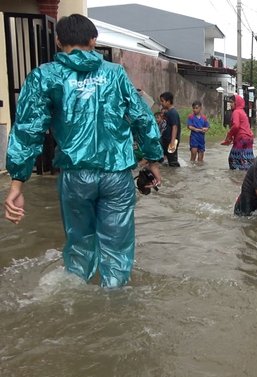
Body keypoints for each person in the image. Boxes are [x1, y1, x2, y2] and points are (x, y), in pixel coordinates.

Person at [3, 14, 163, 288]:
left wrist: (17, 182)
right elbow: (142, 118)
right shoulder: (115, 74)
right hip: (117, 176)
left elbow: (28, 129)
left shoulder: (45, 76)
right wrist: (153, 160)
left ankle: (76, 296)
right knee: (117, 248)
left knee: (79, 244)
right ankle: (114, 303)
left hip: (75, 177)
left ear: (57, 41)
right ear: (93, 41)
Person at [221, 94, 254, 170]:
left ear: (237, 103)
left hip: (241, 139)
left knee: (233, 160)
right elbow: (246, 127)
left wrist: (229, 135)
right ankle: (247, 178)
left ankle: (235, 180)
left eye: (232, 102)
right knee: (247, 160)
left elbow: (236, 126)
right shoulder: (243, 112)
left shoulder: (236, 112)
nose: (230, 104)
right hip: (249, 139)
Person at [159, 91, 181, 167]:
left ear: (168, 102)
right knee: (164, 161)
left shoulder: (173, 113)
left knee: (173, 163)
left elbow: (175, 127)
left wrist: (172, 142)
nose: (161, 103)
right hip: (166, 141)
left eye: (162, 101)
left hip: (171, 142)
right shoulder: (168, 112)